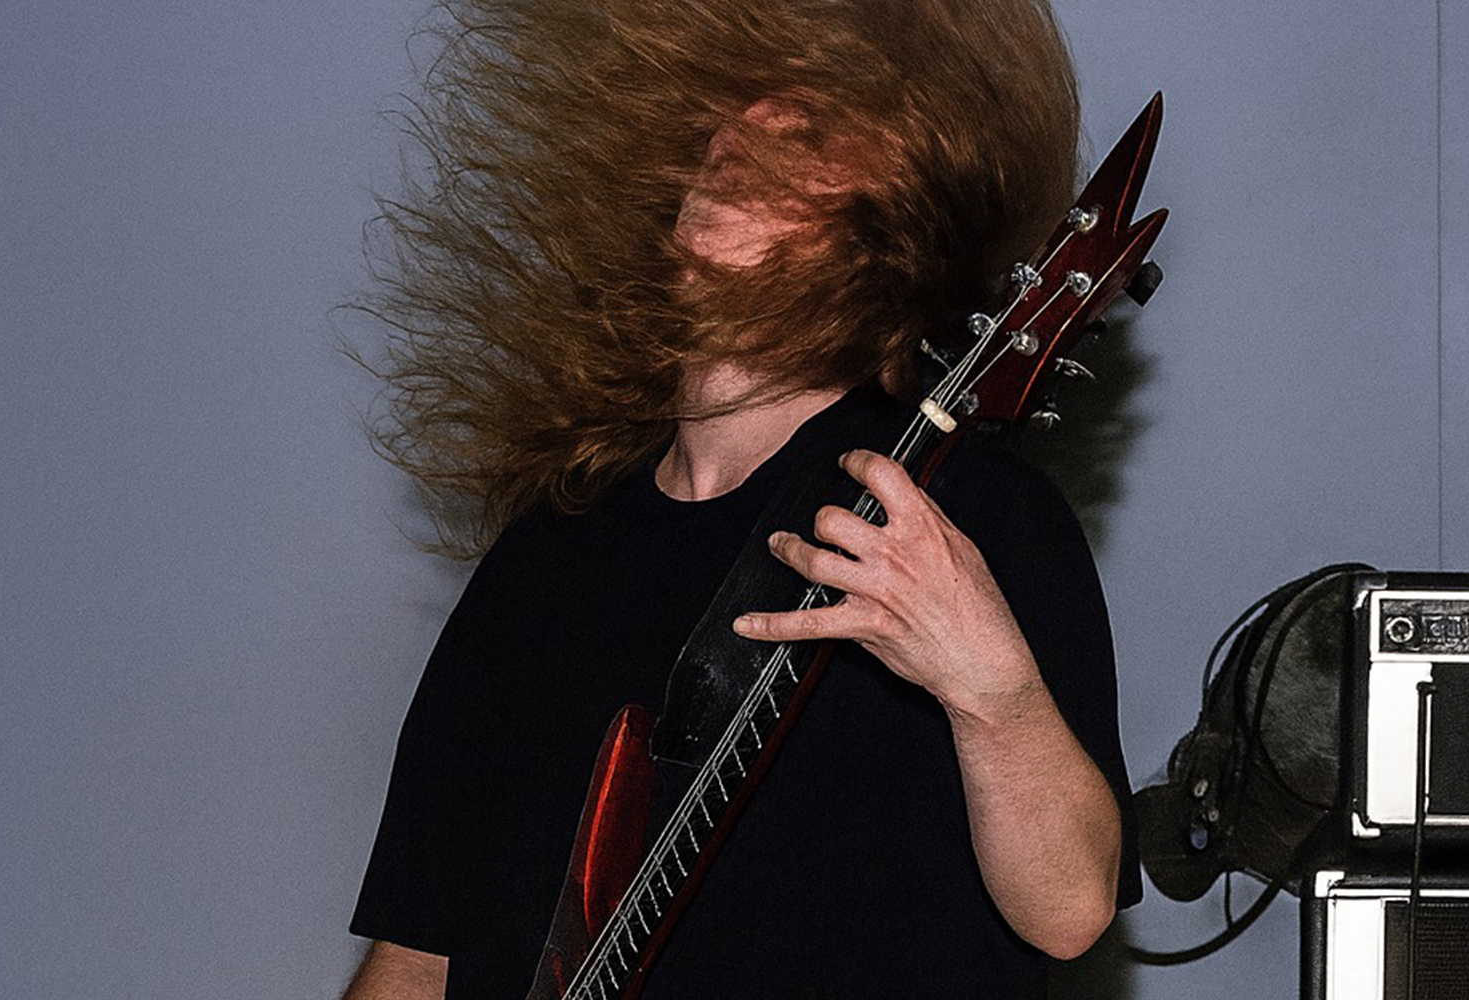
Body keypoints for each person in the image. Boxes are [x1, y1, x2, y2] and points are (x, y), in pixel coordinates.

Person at [343, 0, 1141, 996]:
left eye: (804, 133)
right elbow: (415, 958)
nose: (737, 135)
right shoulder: (547, 552)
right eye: (727, 117)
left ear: (895, 225)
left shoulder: (963, 516)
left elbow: (1070, 909)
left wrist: (993, 691)